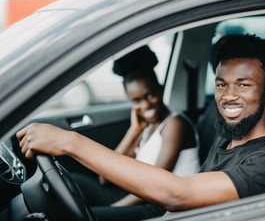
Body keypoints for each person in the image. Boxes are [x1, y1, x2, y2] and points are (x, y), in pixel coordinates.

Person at [17, 34, 265, 219]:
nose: (229, 95)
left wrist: (71, 142)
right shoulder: (227, 140)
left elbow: (180, 194)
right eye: (221, 84)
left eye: (243, 85)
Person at [71, 45, 201, 220]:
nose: (145, 105)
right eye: (136, 101)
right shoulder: (147, 127)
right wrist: (134, 131)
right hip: (145, 196)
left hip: (164, 206)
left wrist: (114, 208)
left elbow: (156, 185)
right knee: (73, 181)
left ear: (160, 89)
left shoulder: (175, 124)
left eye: (149, 95)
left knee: (88, 217)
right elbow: (104, 178)